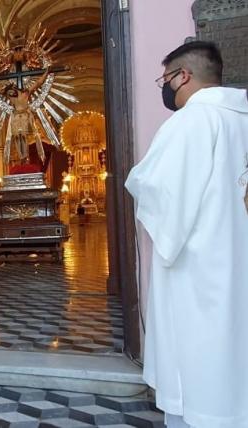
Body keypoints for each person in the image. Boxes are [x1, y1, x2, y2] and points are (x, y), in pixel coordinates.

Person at [125, 41, 248, 428]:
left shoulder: (192, 121)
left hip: (200, 278)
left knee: (201, 380)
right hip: (235, 264)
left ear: (183, 76)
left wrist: (136, 182)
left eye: (165, 78)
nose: (164, 87)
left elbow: (160, 192)